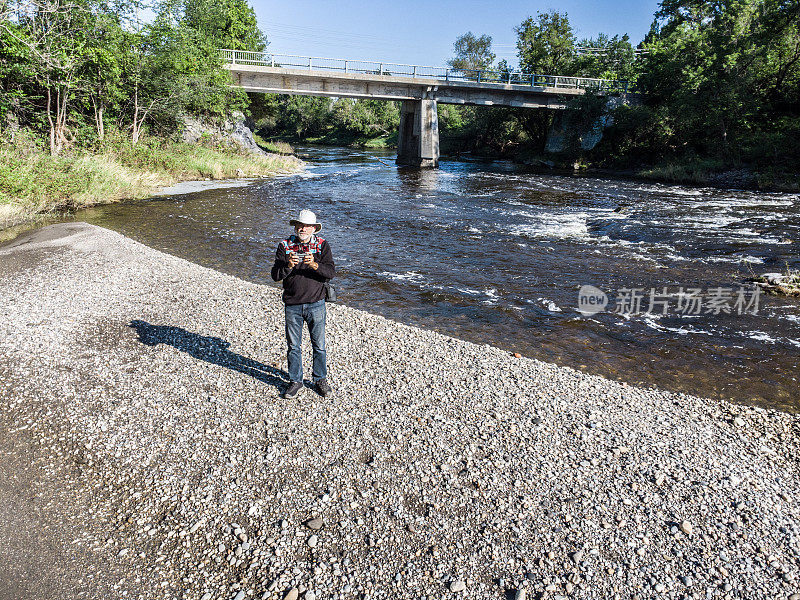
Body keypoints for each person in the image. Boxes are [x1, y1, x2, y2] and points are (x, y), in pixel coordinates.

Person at [271, 209, 335, 399]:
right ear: (295, 226)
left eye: (307, 226)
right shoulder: (284, 245)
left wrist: (314, 265)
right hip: (292, 304)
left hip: (316, 303)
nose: (303, 229)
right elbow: (275, 275)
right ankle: (296, 381)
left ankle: (320, 379)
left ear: (314, 228)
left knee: (319, 345)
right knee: (294, 346)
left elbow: (331, 272)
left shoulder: (322, 245)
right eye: (300, 225)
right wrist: (288, 266)